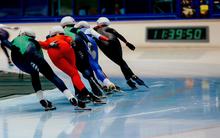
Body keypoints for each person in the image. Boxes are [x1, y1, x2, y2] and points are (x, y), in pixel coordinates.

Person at [10, 28, 85, 111]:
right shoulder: (33, 41)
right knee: (52, 76)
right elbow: (39, 55)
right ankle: (71, 98)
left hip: (18, 61)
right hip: (32, 55)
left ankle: (42, 100)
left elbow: (8, 45)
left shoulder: (15, 40)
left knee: (34, 75)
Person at [39, 26, 102, 103]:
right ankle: (86, 94)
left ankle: (85, 94)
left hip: (53, 52)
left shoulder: (48, 40)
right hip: (67, 48)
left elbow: (40, 43)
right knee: (75, 74)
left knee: (73, 74)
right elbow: (71, 40)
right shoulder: (65, 36)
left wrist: (49, 45)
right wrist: (72, 43)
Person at [94, 17, 148, 89]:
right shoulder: (108, 28)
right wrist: (127, 43)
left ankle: (129, 78)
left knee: (120, 62)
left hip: (104, 46)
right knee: (121, 62)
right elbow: (118, 35)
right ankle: (132, 76)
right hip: (113, 41)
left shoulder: (93, 30)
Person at [60, 16, 104, 97]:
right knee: (87, 69)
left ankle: (79, 92)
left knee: (74, 73)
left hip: (73, 49)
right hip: (82, 47)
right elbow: (81, 33)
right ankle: (97, 89)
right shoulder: (75, 29)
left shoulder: (63, 31)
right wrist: (88, 41)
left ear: (63, 24)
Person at [75, 21, 119, 92]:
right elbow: (99, 36)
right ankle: (107, 82)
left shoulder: (75, 31)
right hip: (91, 42)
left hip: (81, 44)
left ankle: (101, 84)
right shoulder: (89, 29)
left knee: (87, 66)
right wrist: (108, 40)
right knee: (95, 64)